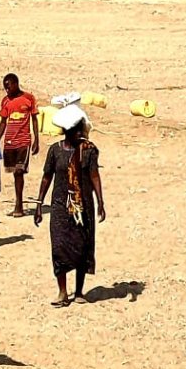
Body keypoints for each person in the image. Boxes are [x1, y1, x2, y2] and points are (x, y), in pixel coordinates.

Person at [35, 105, 106, 306]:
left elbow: (94, 176)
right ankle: (62, 292)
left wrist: (100, 201)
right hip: (59, 206)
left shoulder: (89, 151)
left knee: (82, 246)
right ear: (69, 132)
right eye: (77, 132)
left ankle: (80, 291)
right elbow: (47, 177)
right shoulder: (55, 151)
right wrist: (39, 203)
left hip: (82, 205)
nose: (80, 135)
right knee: (59, 247)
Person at [0, 74, 40, 217]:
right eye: (5, 88)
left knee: (19, 172)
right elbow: (3, 122)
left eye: (8, 86)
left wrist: (36, 140)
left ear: (16, 83)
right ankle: (18, 204)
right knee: (13, 173)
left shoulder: (28, 98)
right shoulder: (5, 101)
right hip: (9, 143)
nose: (7, 90)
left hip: (23, 141)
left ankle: (19, 204)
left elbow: (34, 119)